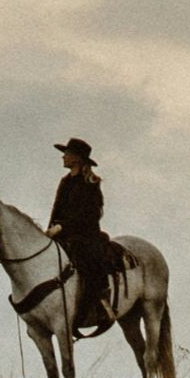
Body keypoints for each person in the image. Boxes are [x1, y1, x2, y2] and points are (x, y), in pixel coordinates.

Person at [45, 137, 115, 331]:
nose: (63, 157)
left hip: (85, 234)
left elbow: (90, 214)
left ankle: (102, 304)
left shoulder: (90, 182)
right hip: (62, 233)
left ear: (76, 158)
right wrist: (51, 228)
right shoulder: (65, 181)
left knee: (89, 259)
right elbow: (57, 209)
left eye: (66, 154)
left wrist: (62, 227)